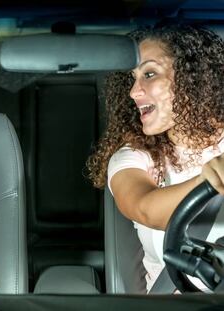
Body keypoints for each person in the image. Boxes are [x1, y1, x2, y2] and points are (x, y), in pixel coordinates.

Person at [87, 24, 224, 291]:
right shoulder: (133, 158)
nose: (133, 92)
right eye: (132, 79)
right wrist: (207, 181)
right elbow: (146, 208)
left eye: (149, 74)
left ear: (192, 77)